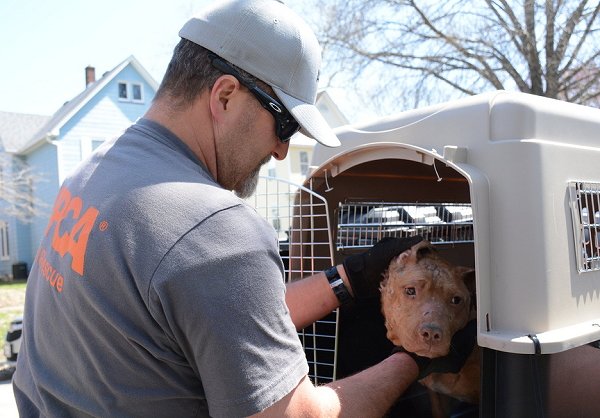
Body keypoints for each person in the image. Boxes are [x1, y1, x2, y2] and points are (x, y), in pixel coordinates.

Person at [13, 0, 476, 417]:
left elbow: (220, 315)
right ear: (225, 95)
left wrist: (348, 276)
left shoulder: (94, 174)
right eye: (284, 124)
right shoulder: (210, 227)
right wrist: (410, 361)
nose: (280, 150)